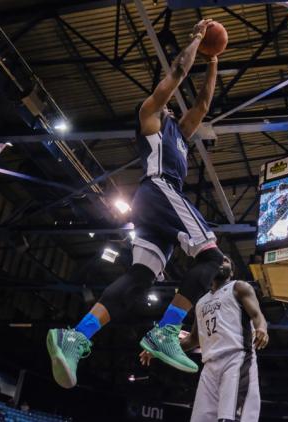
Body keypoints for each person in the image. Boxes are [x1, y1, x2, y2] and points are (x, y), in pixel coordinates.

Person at [46, 18, 226, 388]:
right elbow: (176, 71)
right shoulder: (149, 117)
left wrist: (214, 58)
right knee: (212, 257)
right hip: (158, 190)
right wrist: (196, 41)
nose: (173, 106)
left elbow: (204, 104)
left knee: (139, 277)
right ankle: (167, 330)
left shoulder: (179, 134)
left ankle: (76, 336)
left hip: (151, 208)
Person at [140, 256, 269, 422]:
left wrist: (262, 328)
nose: (221, 262)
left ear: (232, 271)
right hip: (209, 366)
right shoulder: (201, 302)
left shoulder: (238, 287)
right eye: (219, 259)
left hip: (237, 358)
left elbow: (257, 315)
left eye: (226, 260)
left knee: (230, 418)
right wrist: (159, 350)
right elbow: (194, 339)